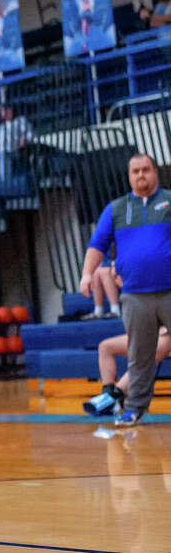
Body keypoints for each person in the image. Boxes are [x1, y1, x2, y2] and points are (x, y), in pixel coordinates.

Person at [80, 153, 171, 427]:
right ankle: (133, 409)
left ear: (155, 172)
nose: (141, 175)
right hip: (135, 295)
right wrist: (86, 274)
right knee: (140, 355)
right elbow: (97, 245)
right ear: (129, 176)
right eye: (135, 171)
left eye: (145, 170)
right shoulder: (116, 209)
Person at [84, 327, 171, 416]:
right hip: (152, 334)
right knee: (105, 346)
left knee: (149, 353)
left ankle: (112, 397)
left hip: (166, 339)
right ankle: (109, 395)